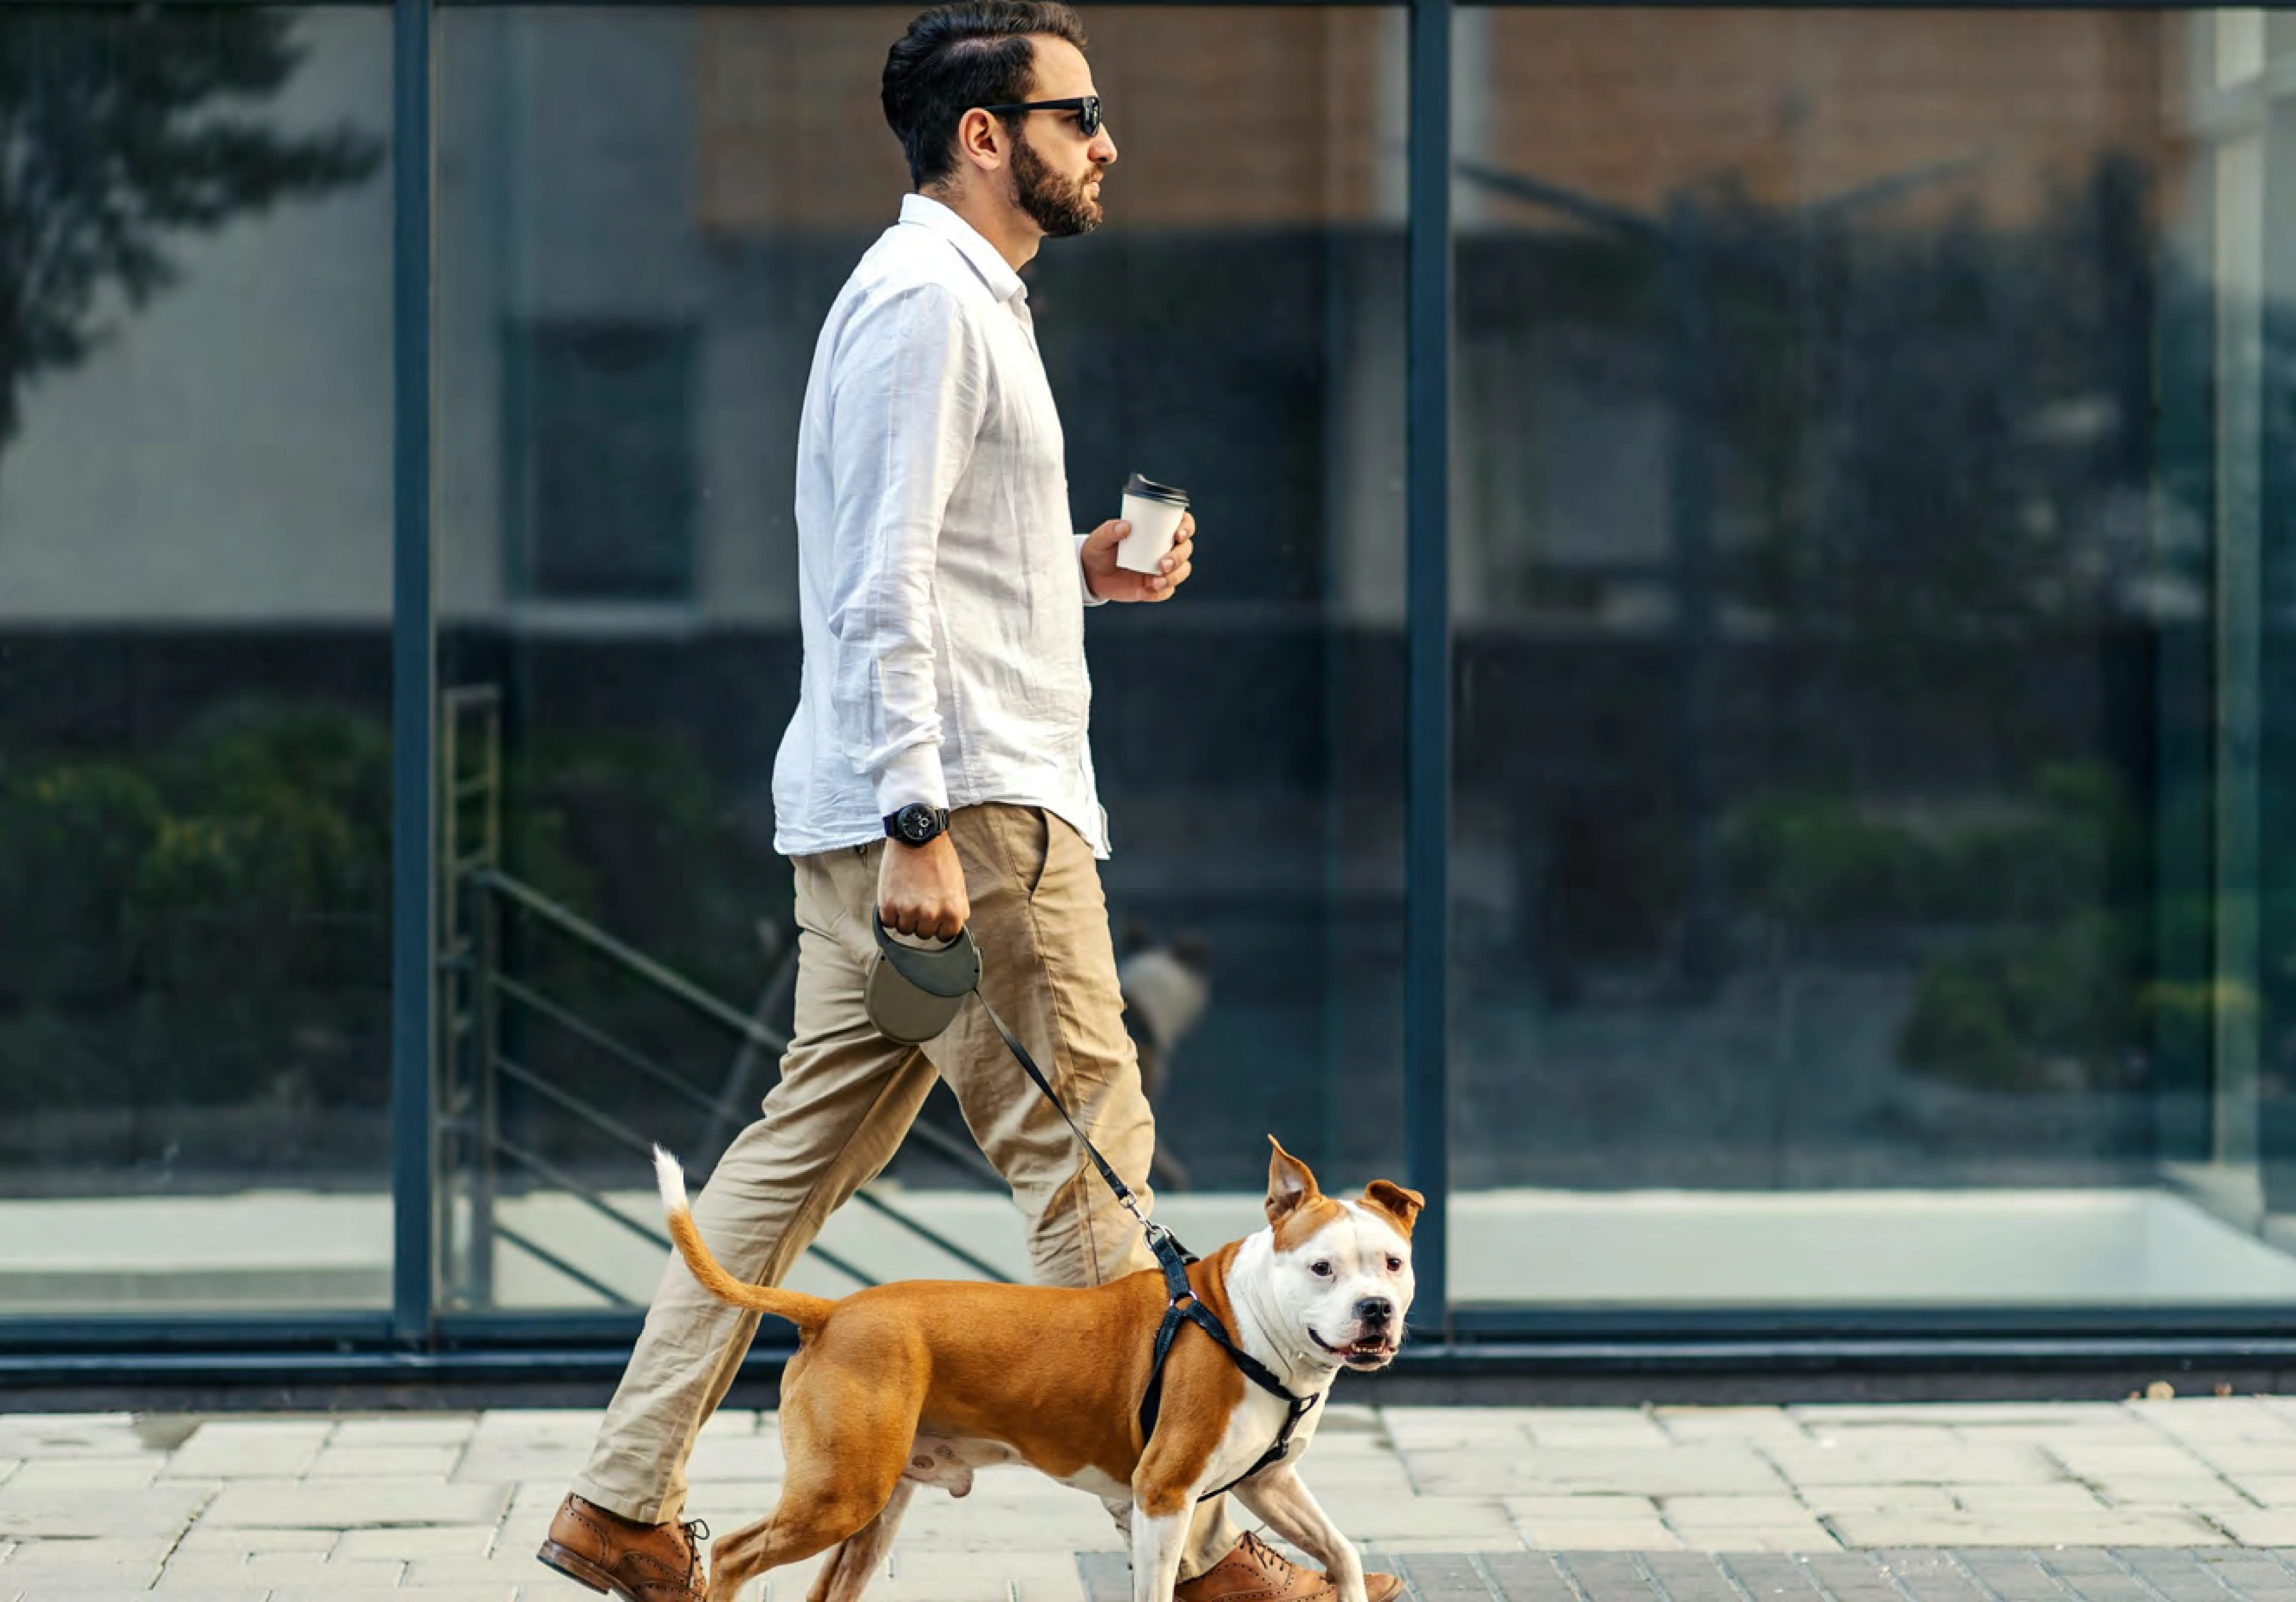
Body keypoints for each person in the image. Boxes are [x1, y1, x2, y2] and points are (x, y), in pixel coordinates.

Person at [536, 7, 1402, 1602]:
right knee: (1093, 1156)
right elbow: (876, 587)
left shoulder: (950, 301)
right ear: (985, 133)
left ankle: (617, 1501)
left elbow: (933, 561)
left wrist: (1061, 573)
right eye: (1079, 113)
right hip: (968, 811)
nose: (1107, 140)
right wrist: (923, 821)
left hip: (911, 792)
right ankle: (1200, 1549)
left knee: (791, 1164)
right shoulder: (933, 303)